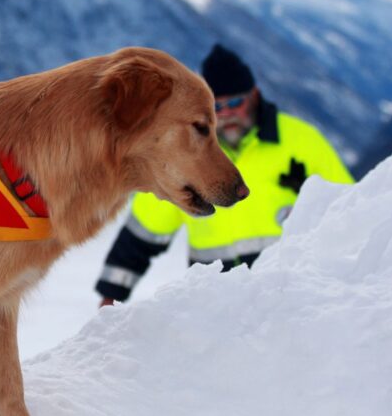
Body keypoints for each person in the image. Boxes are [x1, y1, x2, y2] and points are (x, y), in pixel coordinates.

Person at [96, 44, 354, 306]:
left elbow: (353, 212)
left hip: (294, 298)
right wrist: (111, 295)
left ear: (254, 95)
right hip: (217, 307)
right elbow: (142, 236)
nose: (226, 113)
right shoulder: (185, 156)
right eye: (217, 106)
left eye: (234, 102)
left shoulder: (302, 142)